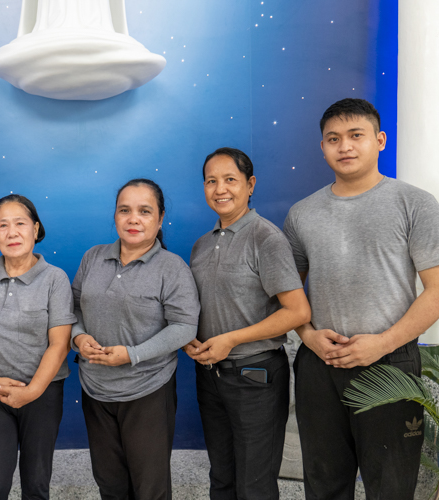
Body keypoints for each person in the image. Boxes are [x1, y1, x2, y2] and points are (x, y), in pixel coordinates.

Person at [284, 98, 439, 499]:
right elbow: (289, 296)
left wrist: (383, 343)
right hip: (321, 362)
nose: (345, 146)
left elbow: (437, 289)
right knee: (323, 484)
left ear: (380, 140)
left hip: (390, 360)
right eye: (333, 138)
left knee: (390, 486)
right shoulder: (301, 214)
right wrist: (308, 335)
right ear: (322, 147)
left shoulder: (414, 203)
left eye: (356, 136)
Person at [186, 148, 311, 499]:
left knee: (254, 485)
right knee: (222, 478)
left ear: (250, 184)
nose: (220, 189)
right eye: (211, 181)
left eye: (230, 180)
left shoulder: (265, 238)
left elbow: (298, 312)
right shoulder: (200, 246)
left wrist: (231, 340)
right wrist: (189, 338)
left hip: (254, 376)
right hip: (210, 375)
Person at [71, 179, 200, 500]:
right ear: (114, 216)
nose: (133, 219)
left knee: (149, 488)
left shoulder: (172, 268)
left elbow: (185, 326)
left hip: (147, 391)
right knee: (110, 484)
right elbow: (72, 308)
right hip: (96, 390)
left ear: (160, 218)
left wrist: (132, 354)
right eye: (124, 210)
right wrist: (78, 337)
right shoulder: (93, 258)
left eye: (145, 211)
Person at [0, 194, 75, 500]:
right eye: (3, 225)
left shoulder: (55, 279)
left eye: (20, 223)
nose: (12, 233)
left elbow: (60, 344)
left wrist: (33, 390)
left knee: (36, 485)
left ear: (35, 229)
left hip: (43, 392)